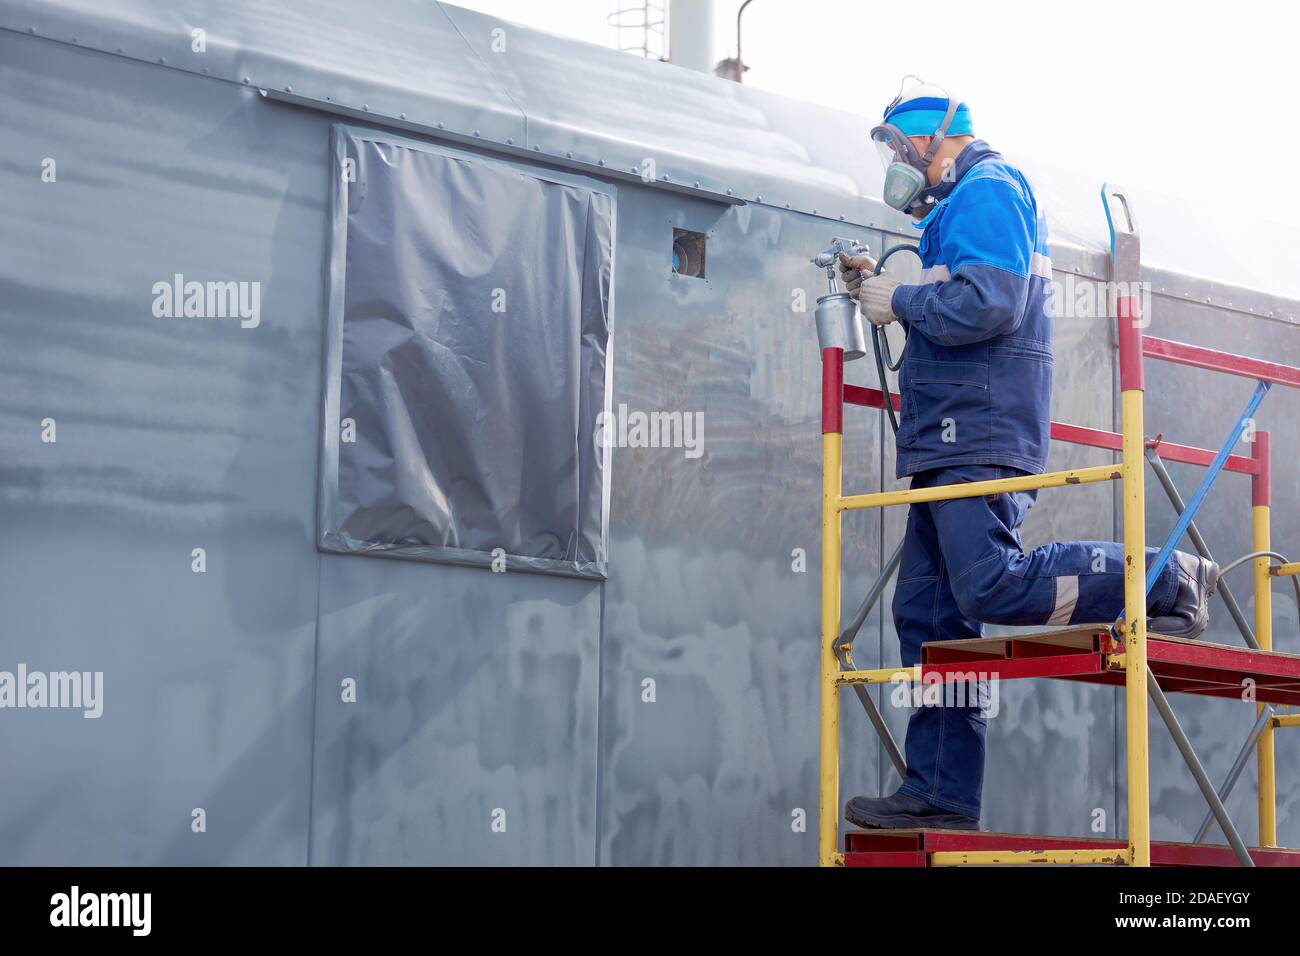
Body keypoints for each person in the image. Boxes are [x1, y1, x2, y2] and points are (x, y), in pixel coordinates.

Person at [837, 80, 1219, 831]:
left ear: (931, 139)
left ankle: (1172, 576)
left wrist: (901, 302)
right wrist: (889, 292)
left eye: (896, 147)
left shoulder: (989, 189)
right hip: (943, 441)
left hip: (977, 434)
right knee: (929, 619)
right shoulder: (956, 213)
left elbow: (992, 305)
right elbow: (965, 300)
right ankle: (942, 793)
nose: (896, 165)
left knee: (988, 586)